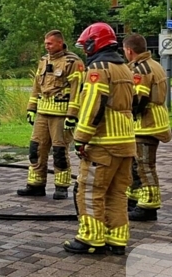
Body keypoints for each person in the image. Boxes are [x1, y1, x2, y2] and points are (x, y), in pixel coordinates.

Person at [64, 22, 135, 255]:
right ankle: (117, 239)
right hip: (126, 141)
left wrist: (81, 137)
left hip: (103, 143)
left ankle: (91, 238)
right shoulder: (124, 67)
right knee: (117, 192)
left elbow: (94, 104)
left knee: (90, 190)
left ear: (96, 43)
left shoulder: (99, 69)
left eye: (87, 45)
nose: (85, 50)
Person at [18, 30, 84, 200]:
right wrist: (31, 108)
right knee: (36, 149)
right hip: (42, 113)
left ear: (60, 43)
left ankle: (61, 187)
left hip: (61, 115)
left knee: (59, 151)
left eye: (50, 43)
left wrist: (72, 115)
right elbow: (36, 86)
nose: (46, 46)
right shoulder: (43, 61)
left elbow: (78, 91)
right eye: (45, 43)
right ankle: (35, 184)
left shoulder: (73, 62)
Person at [122, 33, 171, 221]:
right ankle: (135, 198)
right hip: (151, 122)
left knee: (144, 165)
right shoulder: (154, 64)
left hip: (146, 124)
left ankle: (149, 205)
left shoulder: (141, 69)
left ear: (129, 50)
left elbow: (138, 99)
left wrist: (125, 113)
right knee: (135, 165)